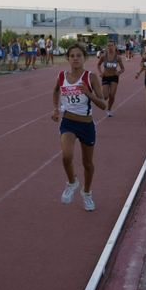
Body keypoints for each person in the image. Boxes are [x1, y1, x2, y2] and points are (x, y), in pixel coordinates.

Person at [51, 42, 106, 211]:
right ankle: (72, 182)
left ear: (85, 58)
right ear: (67, 58)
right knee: (67, 156)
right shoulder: (61, 76)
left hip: (86, 124)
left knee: (87, 163)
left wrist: (88, 93)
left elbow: (103, 105)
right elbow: (55, 90)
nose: (75, 59)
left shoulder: (91, 77)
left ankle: (87, 192)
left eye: (78, 56)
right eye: (72, 56)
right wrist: (55, 108)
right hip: (68, 123)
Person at [97, 39, 125, 117]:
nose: (110, 47)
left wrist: (119, 72)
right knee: (105, 96)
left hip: (114, 77)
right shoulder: (104, 56)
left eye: (112, 45)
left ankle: (109, 109)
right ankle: (99, 102)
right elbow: (98, 65)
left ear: (114, 47)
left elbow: (123, 68)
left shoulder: (118, 57)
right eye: (108, 46)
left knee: (112, 95)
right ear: (106, 47)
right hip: (105, 77)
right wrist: (100, 73)